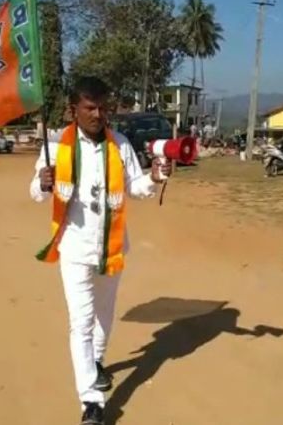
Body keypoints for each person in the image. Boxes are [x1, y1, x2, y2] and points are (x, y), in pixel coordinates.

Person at [30, 76, 170, 425]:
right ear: (73, 110)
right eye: (90, 108)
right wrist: (42, 183)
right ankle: (91, 402)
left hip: (112, 247)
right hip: (75, 248)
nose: (98, 114)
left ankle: (96, 361)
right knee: (81, 323)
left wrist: (153, 178)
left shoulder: (120, 144)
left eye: (103, 107)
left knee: (103, 318)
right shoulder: (55, 146)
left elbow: (135, 187)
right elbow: (36, 190)